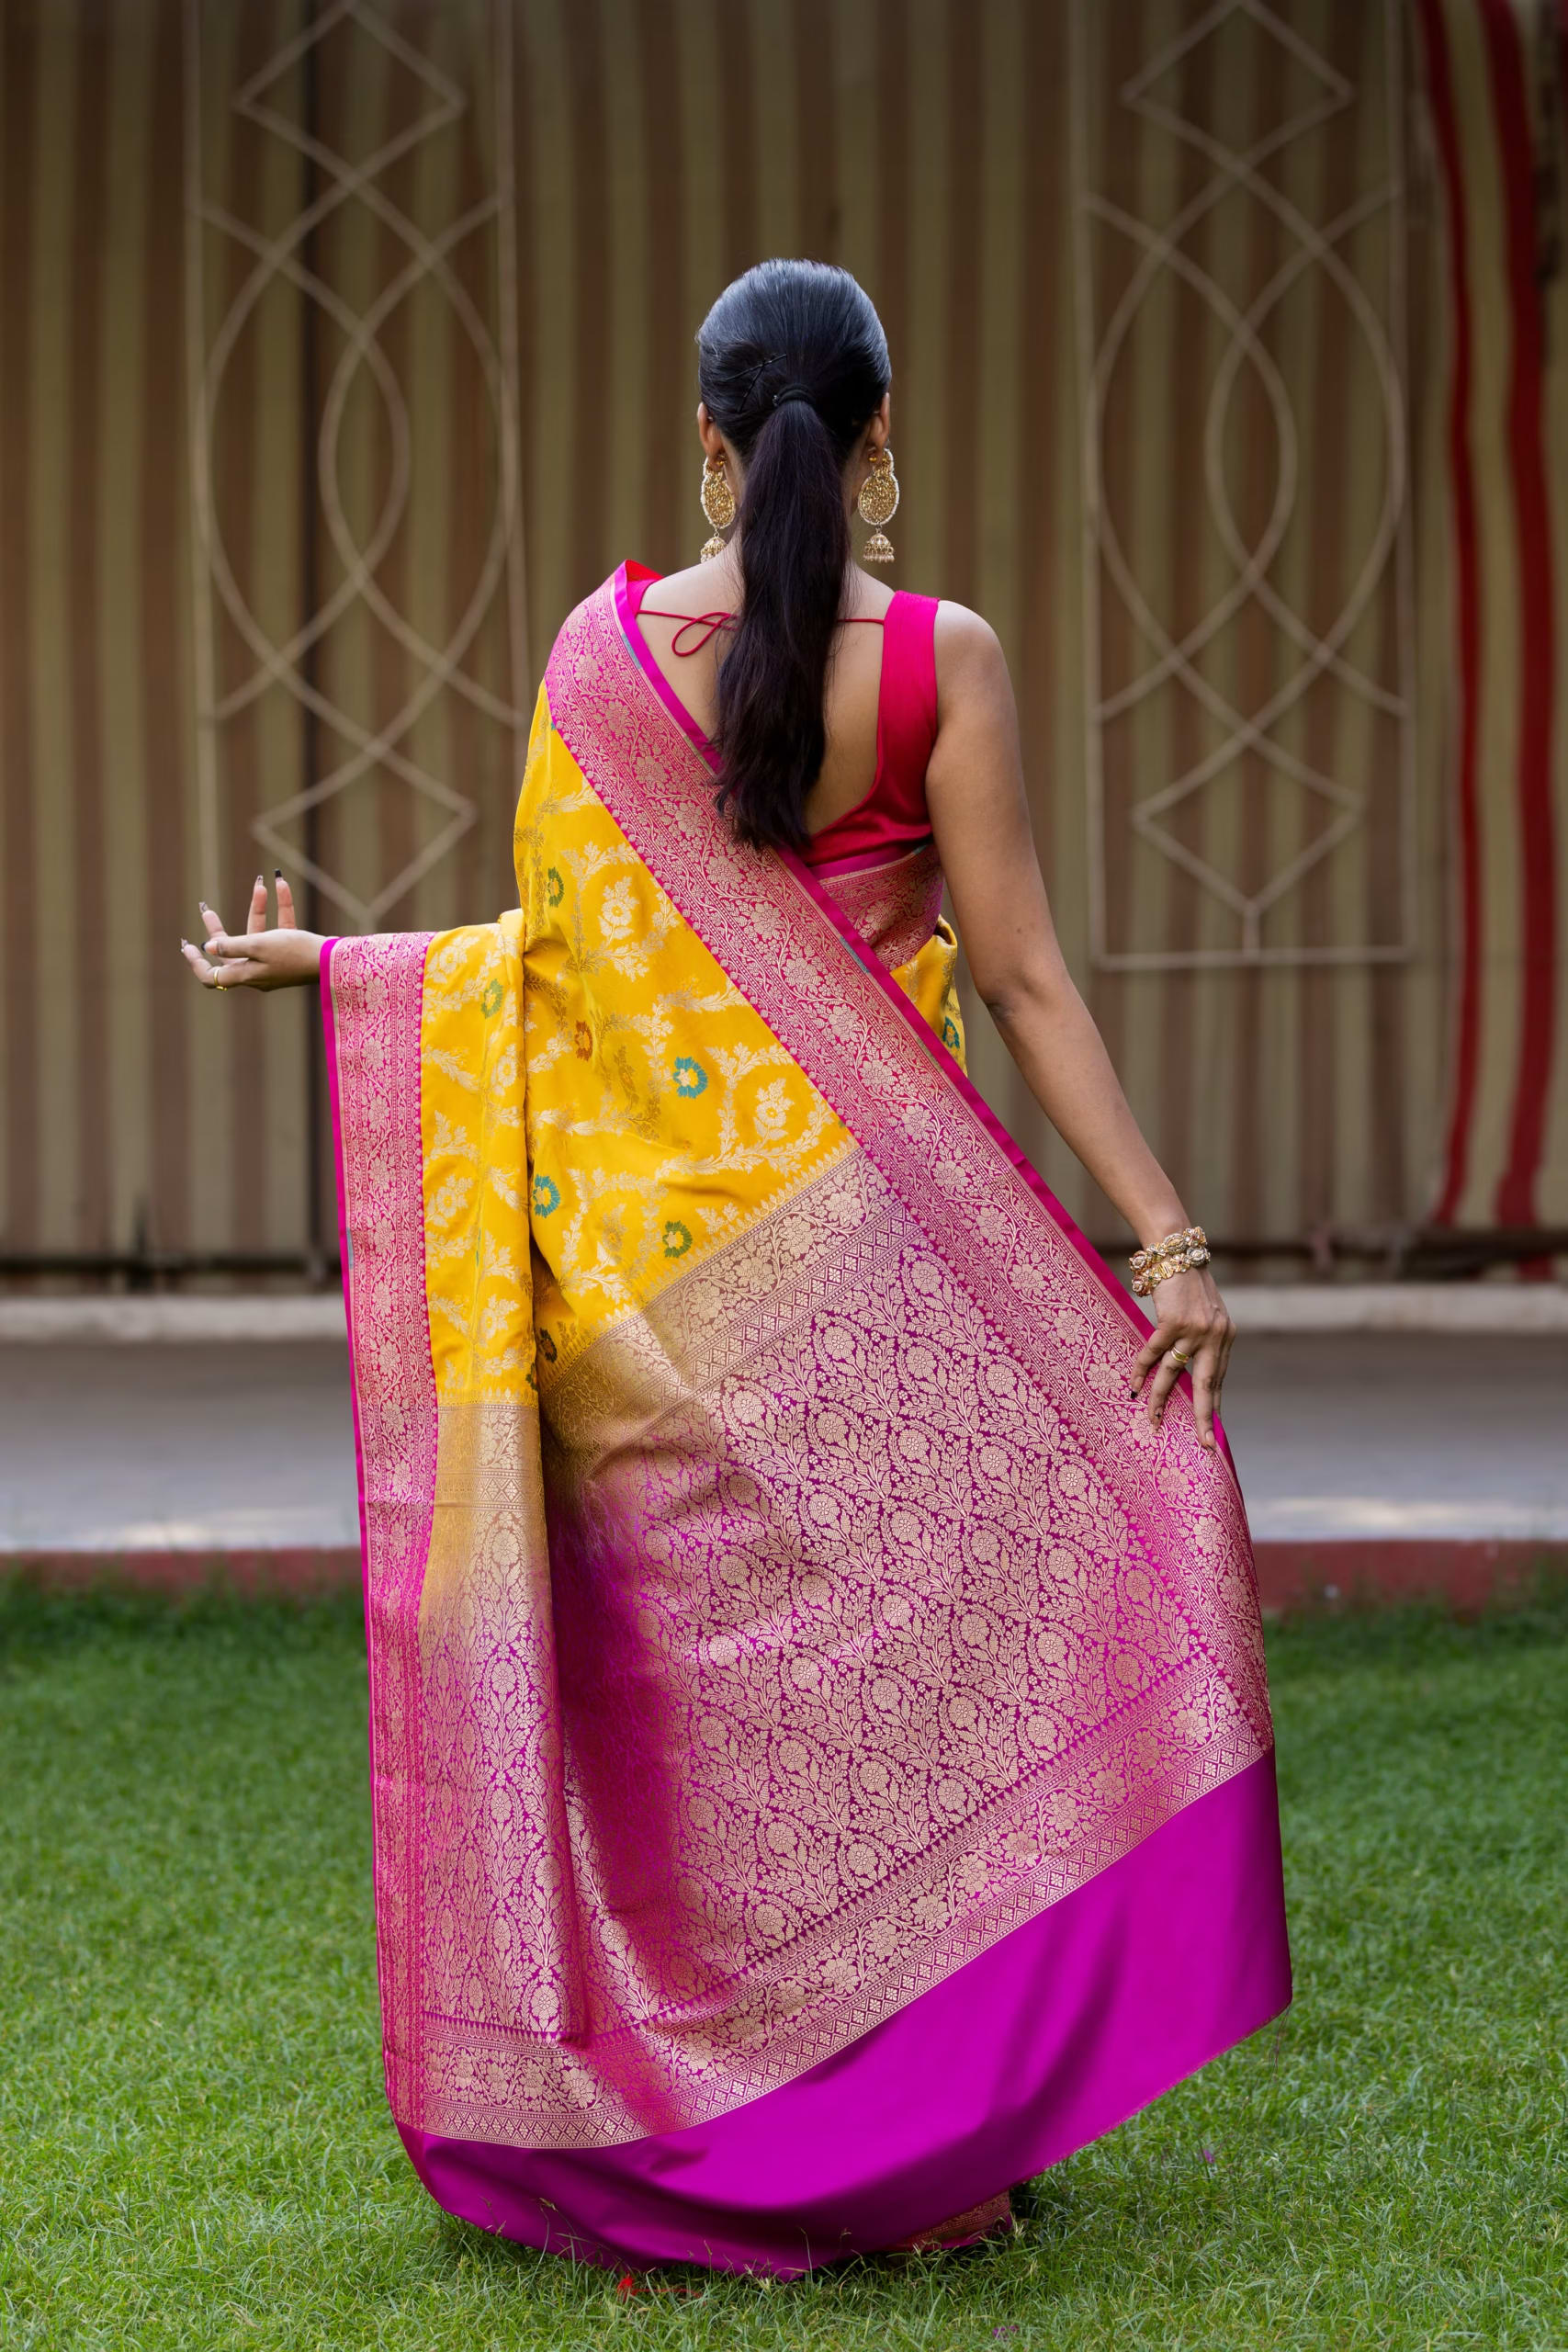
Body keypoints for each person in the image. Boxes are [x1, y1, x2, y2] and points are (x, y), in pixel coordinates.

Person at [181, 258, 1290, 2275]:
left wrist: (343, 968)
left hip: (651, 1316)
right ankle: (934, 2140)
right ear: (877, 448)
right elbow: (1028, 979)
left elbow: (563, 986)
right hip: (885, 1269)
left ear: (707, 443)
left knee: (726, 1733)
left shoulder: (596, 663)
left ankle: (744, 2117)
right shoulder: (937, 657)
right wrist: (1163, 1240)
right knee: (928, 1676)